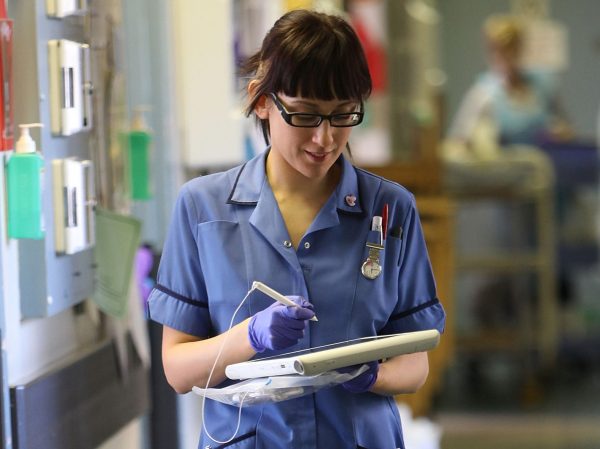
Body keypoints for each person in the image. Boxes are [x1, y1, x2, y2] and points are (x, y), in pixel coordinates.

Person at [147, 9, 445, 449]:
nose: (324, 139)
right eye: (306, 115)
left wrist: (371, 374)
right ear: (262, 100)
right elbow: (177, 369)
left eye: (343, 115)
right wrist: (248, 336)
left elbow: (416, 364)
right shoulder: (203, 208)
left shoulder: (388, 209)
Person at [448, 14, 571, 153]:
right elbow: (458, 141)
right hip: (503, 170)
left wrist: (560, 133)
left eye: (510, 50)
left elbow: (567, 129)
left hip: (542, 167)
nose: (504, 58)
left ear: (520, 49)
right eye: (496, 51)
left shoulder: (544, 84)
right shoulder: (483, 94)